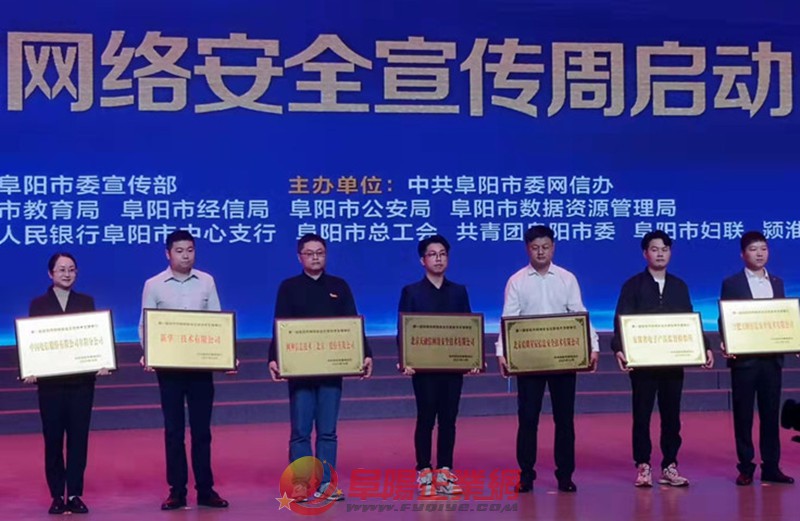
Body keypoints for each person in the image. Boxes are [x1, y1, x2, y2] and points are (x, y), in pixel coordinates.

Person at [268, 233, 373, 503]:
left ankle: (326, 483)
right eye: (309, 253)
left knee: (327, 430)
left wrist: (365, 354)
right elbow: (280, 324)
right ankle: (300, 484)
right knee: (300, 430)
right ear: (299, 257)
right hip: (300, 370)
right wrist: (274, 357)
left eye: (320, 253)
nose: (315, 257)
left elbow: (352, 323)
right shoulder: (289, 287)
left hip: (331, 370)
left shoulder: (339, 286)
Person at [496, 225, 600, 493]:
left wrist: (593, 345)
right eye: (535, 248)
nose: (540, 252)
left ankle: (565, 476)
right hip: (529, 360)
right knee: (527, 419)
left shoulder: (567, 278)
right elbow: (508, 319)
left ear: (553, 248)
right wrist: (501, 352)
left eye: (545, 247)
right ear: (527, 249)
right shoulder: (516, 280)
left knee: (564, 420)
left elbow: (579, 314)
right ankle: (526, 475)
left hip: (563, 359)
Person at [611, 230, 714, 488]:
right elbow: (621, 320)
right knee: (642, 415)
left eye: (665, 249)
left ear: (670, 253)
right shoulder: (633, 285)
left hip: (672, 363)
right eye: (655, 249)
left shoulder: (679, 286)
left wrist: (704, 346)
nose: (660, 254)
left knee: (672, 416)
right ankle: (643, 465)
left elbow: (689, 319)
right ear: (645, 253)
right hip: (643, 363)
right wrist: (619, 348)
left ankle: (670, 465)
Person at [139, 230, 229, 510]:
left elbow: (217, 322)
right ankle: (177, 491)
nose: (186, 255)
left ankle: (206, 490)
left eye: (190, 250)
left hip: (201, 368)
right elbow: (145, 325)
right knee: (174, 431)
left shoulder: (207, 281)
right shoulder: (154, 284)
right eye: (179, 251)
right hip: (170, 370)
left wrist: (225, 355)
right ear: (168, 254)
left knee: (202, 431)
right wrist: (149, 353)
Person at [25, 253, 107, 515]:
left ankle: (74, 494)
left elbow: (94, 339)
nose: (67, 274)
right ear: (50, 274)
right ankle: (56, 495)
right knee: (52, 440)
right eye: (61, 269)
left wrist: (102, 360)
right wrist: (30, 367)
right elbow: (32, 342)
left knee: (78, 439)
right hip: (50, 385)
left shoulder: (86, 302)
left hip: (81, 383)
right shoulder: (38, 304)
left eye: (71, 269)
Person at [397, 235, 477, 497]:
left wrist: (472, 358)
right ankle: (423, 471)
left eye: (443, 254)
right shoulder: (412, 292)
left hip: (452, 368)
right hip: (423, 369)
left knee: (449, 420)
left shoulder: (458, 291)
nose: (438, 259)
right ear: (423, 260)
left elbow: (468, 327)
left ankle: (444, 472)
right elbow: (404, 329)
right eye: (432, 254)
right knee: (426, 418)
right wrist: (406, 359)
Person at [719, 231, 794, 486]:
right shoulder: (732, 283)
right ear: (742, 254)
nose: (759, 253)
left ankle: (771, 466)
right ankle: (746, 467)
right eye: (753, 249)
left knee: (770, 415)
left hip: (771, 360)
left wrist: (793, 339)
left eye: (763, 248)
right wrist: (727, 340)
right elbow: (726, 316)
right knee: (743, 416)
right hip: (744, 361)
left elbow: (783, 317)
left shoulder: (777, 282)